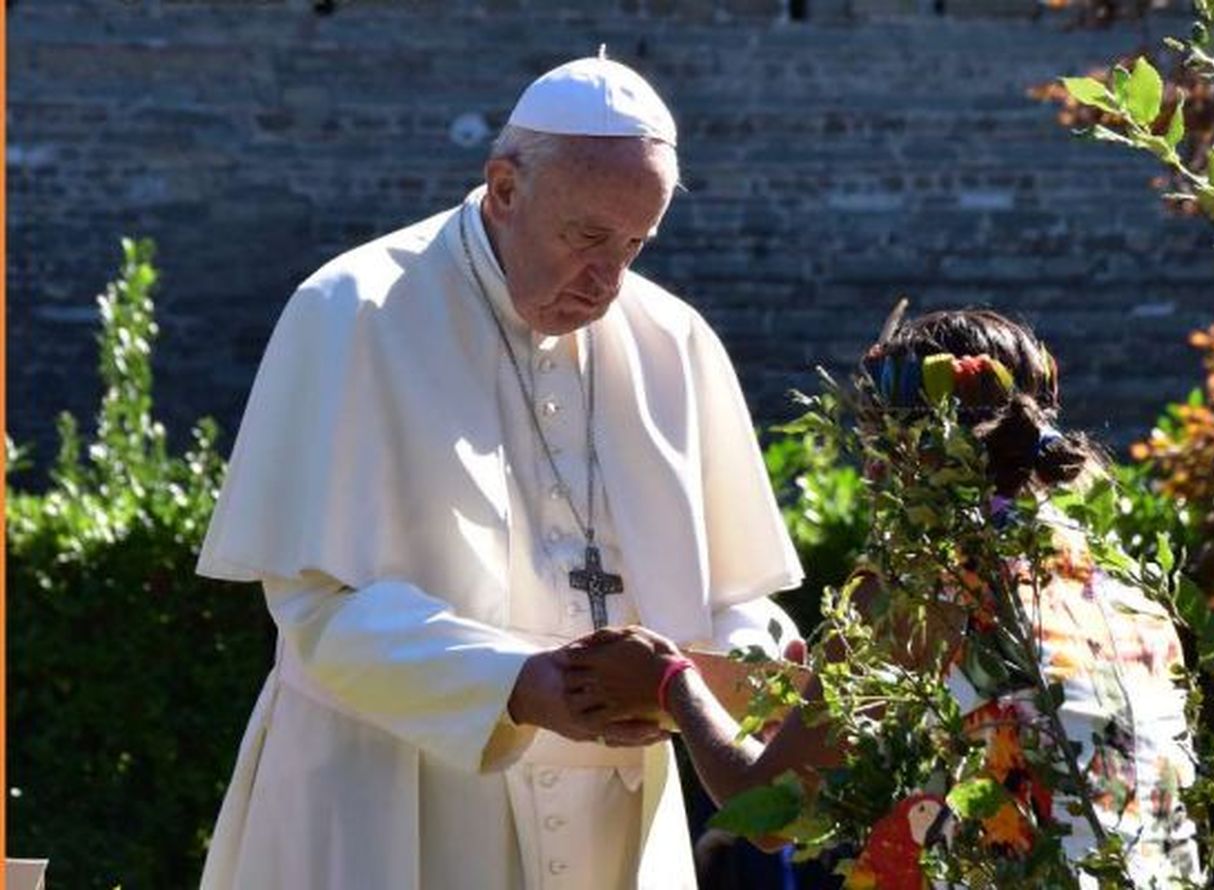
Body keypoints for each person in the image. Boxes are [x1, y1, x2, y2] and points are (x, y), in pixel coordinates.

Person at [195, 51, 804, 889]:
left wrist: (741, 660)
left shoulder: (676, 342)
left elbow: (737, 595)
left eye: (634, 245)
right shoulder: (353, 311)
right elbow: (314, 608)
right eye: (587, 238)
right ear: (505, 187)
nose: (609, 282)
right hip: (399, 805)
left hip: (614, 818)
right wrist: (515, 685)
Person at [563, 309, 1204, 887]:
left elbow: (772, 810)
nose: (868, 474)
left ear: (904, 453)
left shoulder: (920, 585)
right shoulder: (1128, 590)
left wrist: (672, 683)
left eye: (873, 444)